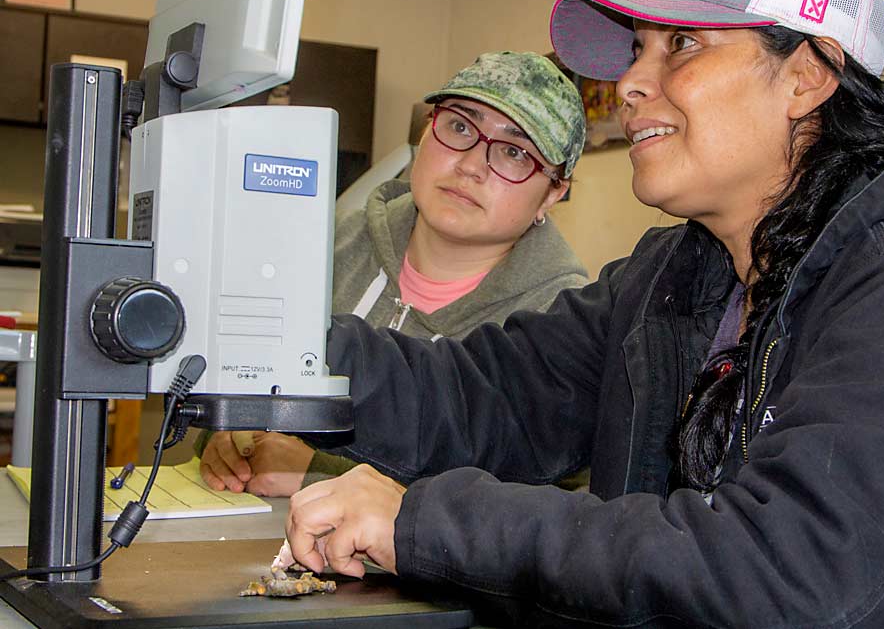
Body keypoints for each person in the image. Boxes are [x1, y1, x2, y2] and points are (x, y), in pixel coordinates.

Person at [283, 0, 884, 626]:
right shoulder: (672, 277)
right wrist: (264, 341)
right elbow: (481, 398)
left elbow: (791, 575)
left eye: (681, 45)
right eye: (636, 50)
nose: (628, 83)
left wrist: (425, 522)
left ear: (807, 76)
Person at [197, 51, 590, 496]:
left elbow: (543, 504)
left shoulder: (560, 323)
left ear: (553, 194)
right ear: (426, 131)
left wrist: (321, 470)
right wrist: (228, 438)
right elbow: (227, 377)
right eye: (460, 126)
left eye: (515, 152)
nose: (471, 166)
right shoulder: (325, 246)